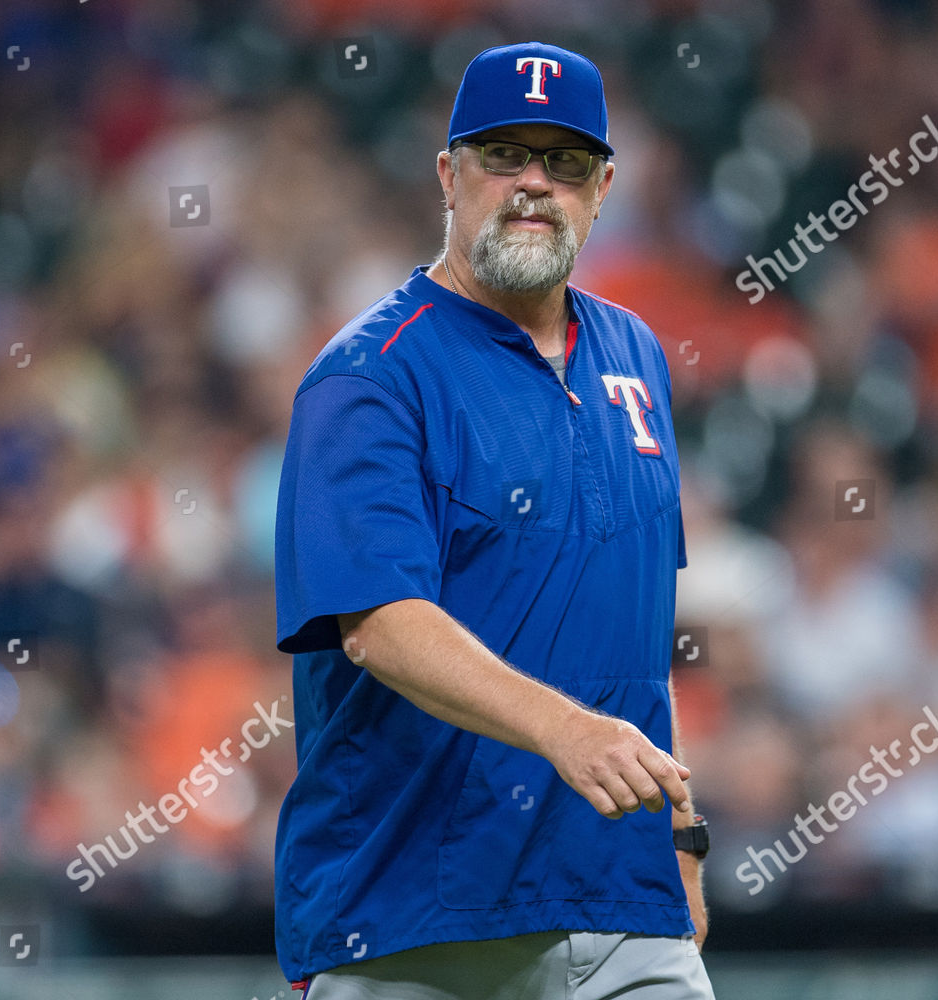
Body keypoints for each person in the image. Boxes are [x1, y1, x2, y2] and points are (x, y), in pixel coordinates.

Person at [273, 41, 715, 1000]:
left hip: (620, 901)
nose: (531, 184)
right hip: (413, 918)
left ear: (601, 189)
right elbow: (380, 626)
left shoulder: (636, 354)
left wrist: (678, 831)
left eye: (562, 163)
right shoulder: (369, 376)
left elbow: (637, 626)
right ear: (447, 174)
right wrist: (565, 731)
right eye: (502, 154)